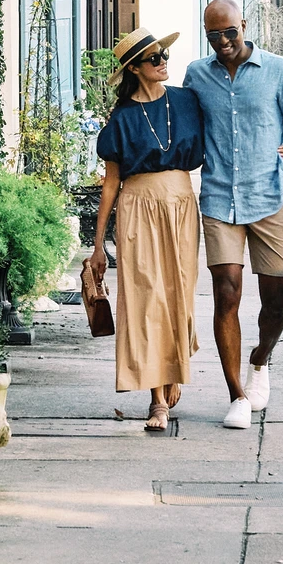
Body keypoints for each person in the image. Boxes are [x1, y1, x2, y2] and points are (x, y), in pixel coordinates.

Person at [184, 0, 283, 430]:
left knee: (275, 301)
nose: (224, 42)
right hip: (218, 197)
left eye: (230, 32)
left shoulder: (278, 70)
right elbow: (185, 130)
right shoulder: (197, 75)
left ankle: (260, 360)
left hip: (268, 197)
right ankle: (236, 395)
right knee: (226, 291)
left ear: (243, 26)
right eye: (214, 35)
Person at [91, 27, 204, 432]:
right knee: (145, 298)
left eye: (164, 56)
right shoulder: (121, 119)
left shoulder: (187, 101)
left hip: (180, 202)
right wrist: (98, 243)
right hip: (138, 206)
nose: (163, 63)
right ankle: (157, 399)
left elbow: (228, 130)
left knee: (180, 294)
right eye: (154, 59)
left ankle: (173, 370)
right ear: (135, 69)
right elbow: (110, 183)